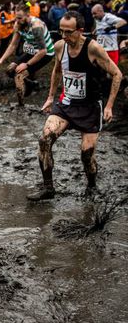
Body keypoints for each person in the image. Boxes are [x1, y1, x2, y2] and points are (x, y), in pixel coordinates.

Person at [28, 11, 122, 200]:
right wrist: (50, 97)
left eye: (68, 32)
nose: (64, 36)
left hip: (90, 108)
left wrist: (109, 106)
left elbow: (117, 74)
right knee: (44, 140)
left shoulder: (93, 48)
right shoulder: (59, 46)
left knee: (86, 154)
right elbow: (57, 71)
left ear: (80, 31)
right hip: (67, 104)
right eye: (61, 31)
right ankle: (48, 189)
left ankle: (92, 186)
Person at [0, 3, 54, 106]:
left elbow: (43, 51)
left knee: (19, 76)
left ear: (28, 14)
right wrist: (1, 60)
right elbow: (13, 45)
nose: (17, 21)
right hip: (31, 51)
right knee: (9, 70)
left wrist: (27, 64)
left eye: (20, 18)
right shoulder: (18, 25)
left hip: (45, 54)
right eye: (16, 18)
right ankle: (31, 84)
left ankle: (21, 105)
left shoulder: (36, 26)